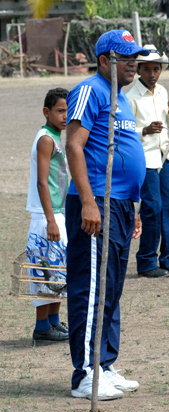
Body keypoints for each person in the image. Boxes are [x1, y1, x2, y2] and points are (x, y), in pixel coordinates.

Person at [65, 29, 148, 401]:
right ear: (104, 60)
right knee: (92, 286)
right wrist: (88, 202)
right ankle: (85, 373)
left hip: (119, 205)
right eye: (126, 56)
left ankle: (104, 364)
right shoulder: (90, 90)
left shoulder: (121, 98)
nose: (134, 62)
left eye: (135, 56)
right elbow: (74, 145)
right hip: (95, 203)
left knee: (111, 286)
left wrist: (133, 206)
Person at [127, 44, 169, 279]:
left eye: (156, 69)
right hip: (144, 159)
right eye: (146, 70)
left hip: (165, 157)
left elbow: (167, 125)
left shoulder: (163, 92)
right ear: (138, 70)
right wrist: (144, 130)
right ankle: (146, 262)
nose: (152, 74)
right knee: (152, 208)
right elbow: (124, 131)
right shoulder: (130, 97)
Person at [26, 87, 70, 343]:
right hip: (47, 217)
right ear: (47, 112)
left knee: (58, 272)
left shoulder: (56, 136)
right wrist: (51, 219)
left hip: (58, 213)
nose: (65, 116)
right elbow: (43, 183)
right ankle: (42, 327)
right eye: (60, 110)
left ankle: (54, 322)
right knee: (44, 272)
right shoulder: (45, 139)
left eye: (68, 111)